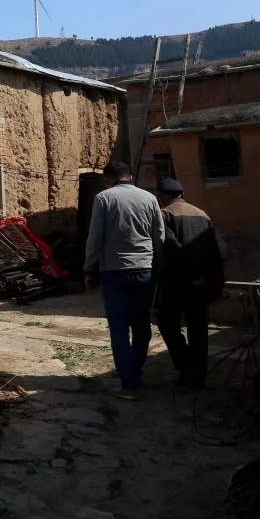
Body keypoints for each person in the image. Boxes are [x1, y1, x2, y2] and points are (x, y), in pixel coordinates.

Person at [84, 161, 164, 400]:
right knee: (141, 324)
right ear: (130, 177)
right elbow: (159, 236)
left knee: (119, 328)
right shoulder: (149, 198)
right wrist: (158, 267)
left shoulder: (103, 198)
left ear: (107, 180)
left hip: (114, 272)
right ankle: (135, 370)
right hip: (144, 270)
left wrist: (89, 269)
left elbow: (95, 237)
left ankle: (129, 382)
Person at [154, 178, 224, 388]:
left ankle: (186, 367)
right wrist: (216, 282)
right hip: (203, 283)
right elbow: (214, 252)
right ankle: (199, 371)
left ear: (162, 197)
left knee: (167, 322)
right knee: (198, 327)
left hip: (177, 282)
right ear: (182, 194)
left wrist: (189, 274)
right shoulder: (202, 214)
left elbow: (173, 248)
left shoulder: (164, 215)